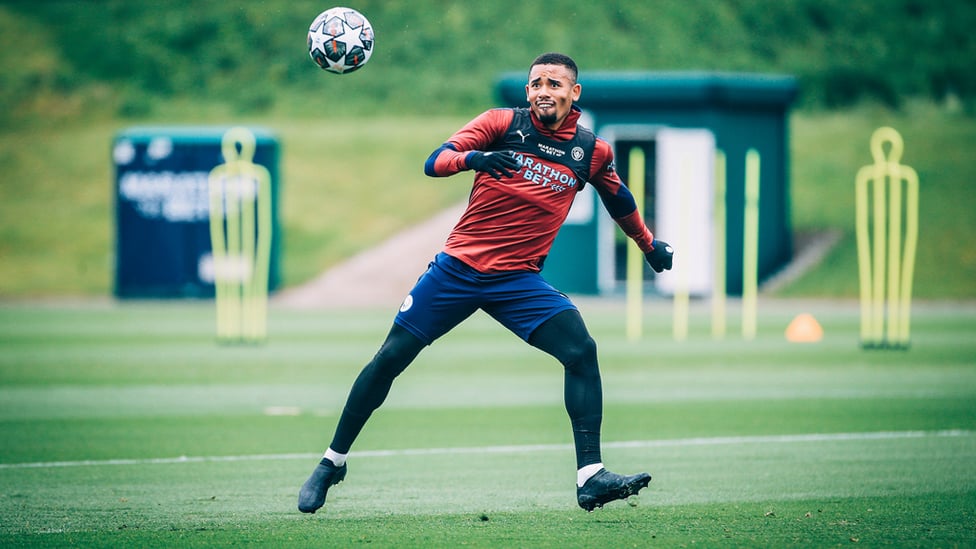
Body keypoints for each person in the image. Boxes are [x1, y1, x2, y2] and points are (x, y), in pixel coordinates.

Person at [298, 52, 674, 514]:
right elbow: (434, 161)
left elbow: (620, 199)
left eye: (554, 84)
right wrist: (475, 158)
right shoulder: (501, 123)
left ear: (574, 93)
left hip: (517, 281)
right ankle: (331, 462)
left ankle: (590, 477)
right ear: (527, 92)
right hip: (457, 269)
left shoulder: (590, 151)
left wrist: (648, 244)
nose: (543, 91)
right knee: (391, 357)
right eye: (536, 83)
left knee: (581, 351)